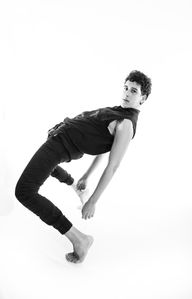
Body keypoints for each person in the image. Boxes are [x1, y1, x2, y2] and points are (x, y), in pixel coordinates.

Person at [15, 70, 152, 264]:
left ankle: (79, 239)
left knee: (24, 192)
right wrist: (86, 176)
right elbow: (103, 147)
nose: (127, 93)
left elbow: (112, 166)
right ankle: (73, 185)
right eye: (126, 88)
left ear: (143, 98)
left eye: (134, 91)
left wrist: (93, 201)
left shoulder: (127, 124)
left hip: (60, 146)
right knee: (45, 171)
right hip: (58, 140)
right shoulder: (119, 111)